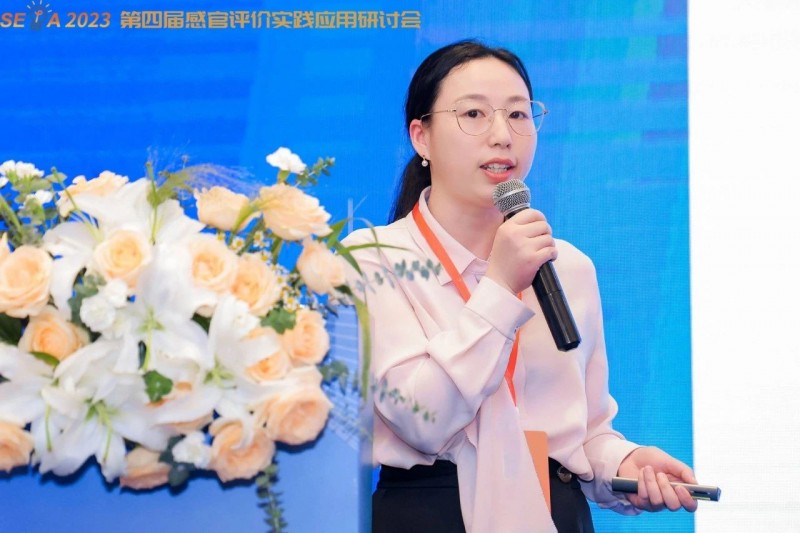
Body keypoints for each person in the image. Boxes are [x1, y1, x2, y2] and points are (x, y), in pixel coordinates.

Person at [343, 39, 698, 533]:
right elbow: (422, 420)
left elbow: (587, 432)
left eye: (518, 114)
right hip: (430, 512)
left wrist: (624, 465)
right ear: (421, 137)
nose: (502, 135)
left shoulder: (568, 266)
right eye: (473, 114)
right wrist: (501, 286)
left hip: (557, 513)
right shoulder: (373, 258)